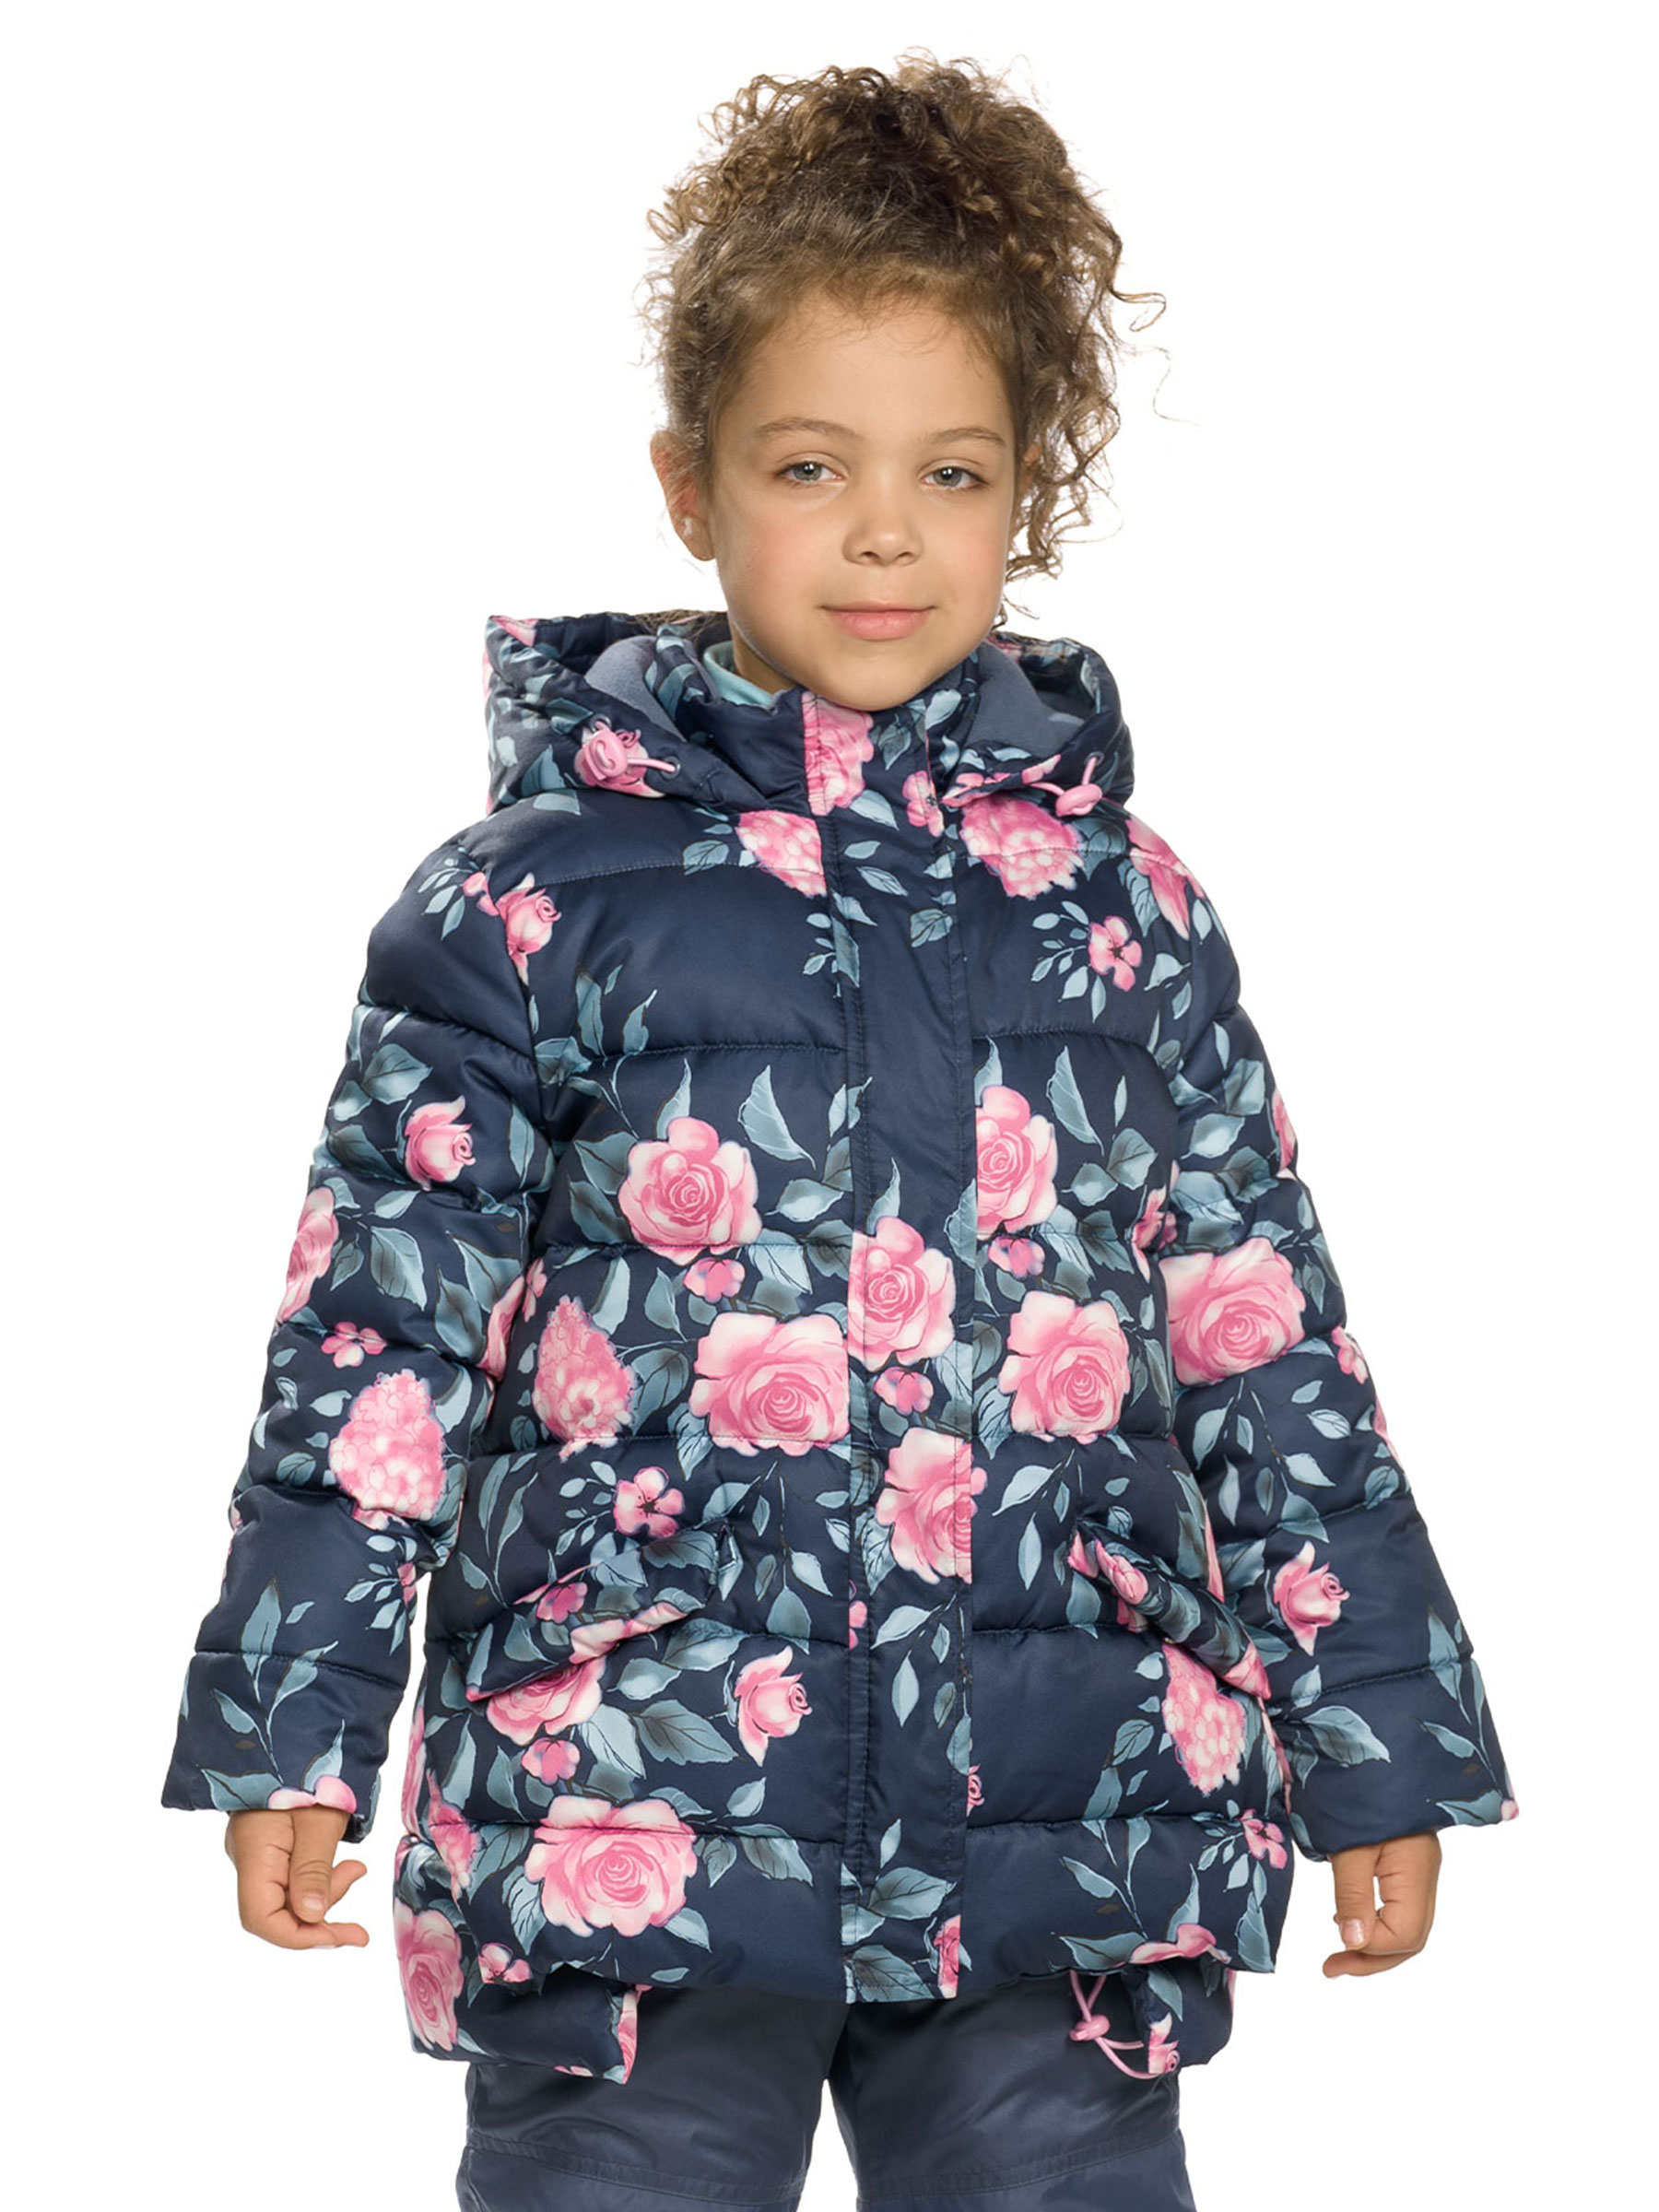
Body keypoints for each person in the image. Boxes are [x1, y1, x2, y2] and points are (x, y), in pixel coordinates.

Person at [159, 51, 1518, 2212]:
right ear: (689, 487)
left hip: (1056, 1810)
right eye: (811, 465)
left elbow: (1266, 1342)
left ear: (1022, 495)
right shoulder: (526, 906)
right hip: (633, 1802)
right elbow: (377, 1346)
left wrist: (1378, 1735)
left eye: (952, 472)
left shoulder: (1125, 913)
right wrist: (290, 1718)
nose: (887, 531)